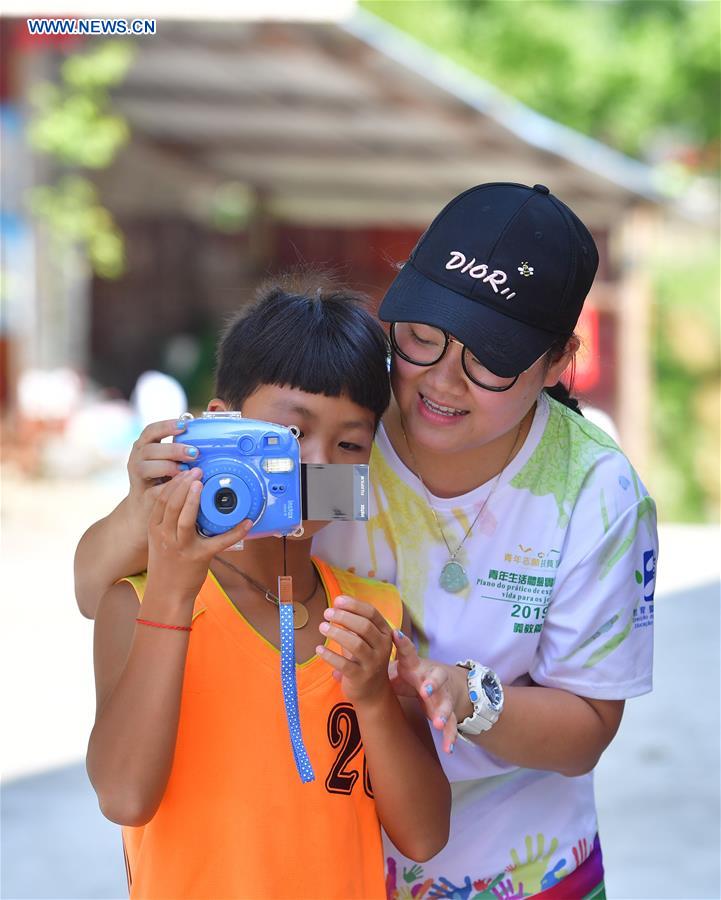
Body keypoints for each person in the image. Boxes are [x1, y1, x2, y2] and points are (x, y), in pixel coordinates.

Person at [76, 183, 657, 900]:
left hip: (515, 868)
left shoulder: (593, 494)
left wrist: (448, 691)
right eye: (421, 337)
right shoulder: (342, 416)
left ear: (556, 361)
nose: (442, 380)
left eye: (492, 360)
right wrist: (152, 503)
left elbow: (586, 726)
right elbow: (103, 592)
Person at [84, 277, 451, 900]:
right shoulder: (141, 601)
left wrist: (373, 699)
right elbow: (123, 797)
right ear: (219, 431)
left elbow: (424, 836)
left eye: (351, 444)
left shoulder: (373, 620)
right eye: (288, 437)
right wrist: (172, 596)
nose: (320, 465)